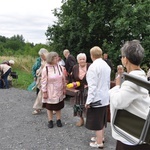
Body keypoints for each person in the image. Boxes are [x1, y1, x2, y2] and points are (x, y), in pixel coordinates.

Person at [109, 40, 150, 150]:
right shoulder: (141, 77)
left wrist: (117, 86)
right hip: (140, 131)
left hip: (131, 137)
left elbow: (118, 102)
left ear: (125, 60)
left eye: (122, 56)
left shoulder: (133, 81)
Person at [85, 46, 111, 148]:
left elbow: (92, 86)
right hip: (105, 97)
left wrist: (88, 101)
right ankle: (101, 137)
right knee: (102, 119)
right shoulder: (106, 65)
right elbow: (107, 83)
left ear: (91, 55)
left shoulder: (93, 67)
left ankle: (99, 142)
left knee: (97, 120)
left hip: (96, 98)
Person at [41, 52, 66, 128]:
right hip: (50, 90)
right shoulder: (46, 69)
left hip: (59, 90)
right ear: (51, 59)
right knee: (50, 106)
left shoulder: (60, 67)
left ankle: (58, 120)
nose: (57, 59)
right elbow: (43, 81)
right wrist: (44, 92)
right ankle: (50, 120)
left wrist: (64, 88)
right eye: (55, 58)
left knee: (58, 106)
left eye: (57, 57)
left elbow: (63, 78)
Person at [71, 53, 91, 127]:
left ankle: (89, 120)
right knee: (78, 105)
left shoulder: (90, 66)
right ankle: (81, 119)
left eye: (83, 59)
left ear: (86, 59)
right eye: (80, 59)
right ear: (77, 60)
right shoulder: (75, 67)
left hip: (88, 89)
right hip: (78, 89)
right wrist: (74, 85)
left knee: (88, 105)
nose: (82, 60)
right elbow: (72, 77)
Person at [32, 48, 48, 115]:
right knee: (40, 94)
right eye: (41, 56)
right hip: (42, 80)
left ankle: (53, 109)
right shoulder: (42, 61)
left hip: (49, 80)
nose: (41, 57)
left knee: (51, 95)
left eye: (42, 55)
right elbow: (38, 69)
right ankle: (37, 108)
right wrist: (36, 74)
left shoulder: (49, 61)